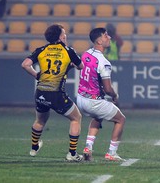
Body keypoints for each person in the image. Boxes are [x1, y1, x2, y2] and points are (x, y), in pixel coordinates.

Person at [21, 24, 84, 162]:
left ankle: (34, 148)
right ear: (60, 37)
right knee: (76, 118)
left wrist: (36, 75)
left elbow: (25, 64)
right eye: (64, 34)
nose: (65, 36)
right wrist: (70, 65)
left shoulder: (42, 50)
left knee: (40, 120)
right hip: (56, 94)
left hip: (40, 92)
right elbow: (81, 66)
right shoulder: (68, 51)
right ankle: (72, 154)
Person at [77, 27, 126, 162]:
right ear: (99, 41)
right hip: (93, 101)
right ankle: (111, 153)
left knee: (98, 117)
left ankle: (88, 147)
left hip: (81, 98)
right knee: (120, 119)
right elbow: (108, 89)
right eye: (105, 36)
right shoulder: (104, 62)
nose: (109, 37)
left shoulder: (86, 53)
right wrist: (115, 96)